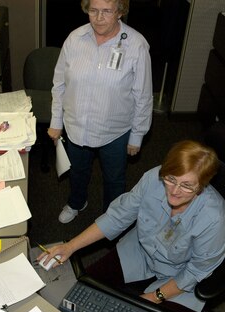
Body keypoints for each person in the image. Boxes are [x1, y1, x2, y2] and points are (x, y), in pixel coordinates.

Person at [38, 140, 225, 312]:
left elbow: (195, 271)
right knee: (83, 295)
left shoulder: (214, 218)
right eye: (171, 179)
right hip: (140, 252)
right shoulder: (153, 178)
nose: (175, 191)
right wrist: (70, 247)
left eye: (187, 185)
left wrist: (155, 296)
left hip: (180, 274)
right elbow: (117, 217)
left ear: (202, 186)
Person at [48, 0, 153, 223]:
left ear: (120, 12)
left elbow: (143, 95)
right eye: (93, 10)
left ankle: (112, 217)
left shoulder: (136, 45)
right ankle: (77, 202)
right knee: (77, 171)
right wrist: (56, 121)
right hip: (76, 124)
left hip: (115, 130)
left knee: (114, 178)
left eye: (106, 11)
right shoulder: (74, 39)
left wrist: (137, 134)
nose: (99, 18)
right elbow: (59, 84)